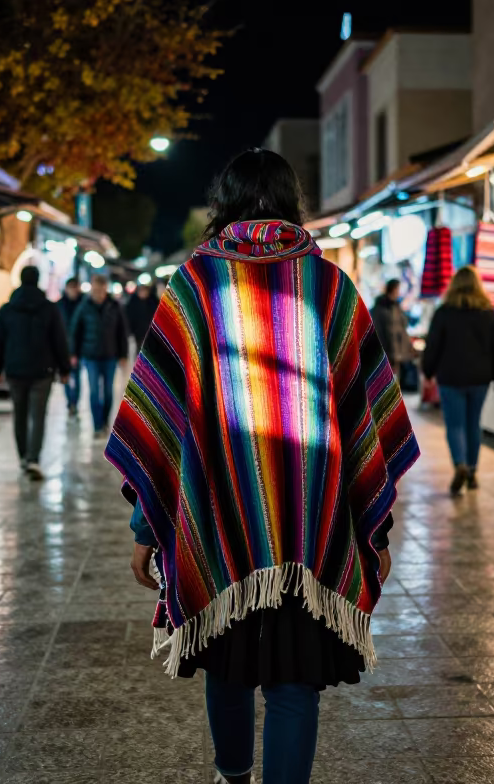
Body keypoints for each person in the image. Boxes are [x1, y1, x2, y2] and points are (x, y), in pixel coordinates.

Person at [105, 148, 419, 784]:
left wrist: (147, 531)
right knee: (293, 680)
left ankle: (234, 778)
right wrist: (374, 532)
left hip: (216, 515)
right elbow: (364, 414)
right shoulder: (330, 287)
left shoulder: (194, 286)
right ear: (291, 202)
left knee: (227, 660)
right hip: (313, 521)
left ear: (224, 204)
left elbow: (162, 418)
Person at [421, 265, 494, 494]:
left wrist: (427, 371)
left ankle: (459, 463)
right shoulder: (488, 313)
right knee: (473, 424)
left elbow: (433, 346)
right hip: (480, 377)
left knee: (455, 424)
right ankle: (472, 470)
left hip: (450, 377)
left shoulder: (444, 312)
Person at [0, 265, 72, 480]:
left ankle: (24, 458)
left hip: (15, 370)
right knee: (38, 416)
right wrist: (65, 368)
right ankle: (34, 459)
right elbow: (59, 340)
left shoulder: (8, 309)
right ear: (38, 280)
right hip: (42, 371)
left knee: (20, 414)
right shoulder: (49, 308)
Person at [70, 274, 129, 437]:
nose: (98, 292)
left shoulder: (115, 306)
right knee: (94, 392)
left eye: (101, 289)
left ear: (105, 289)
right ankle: (97, 426)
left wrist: (123, 355)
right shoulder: (84, 306)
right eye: (95, 289)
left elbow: (122, 332)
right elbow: (75, 331)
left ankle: (104, 422)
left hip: (110, 356)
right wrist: (73, 353)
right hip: (90, 356)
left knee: (109, 392)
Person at [371, 278, 414, 374]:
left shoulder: (396, 307)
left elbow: (402, 327)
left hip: (396, 352)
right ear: (393, 289)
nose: (399, 292)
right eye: (398, 289)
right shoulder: (381, 308)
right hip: (387, 352)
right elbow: (381, 331)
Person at [57, 277, 83, 417]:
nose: (73, 291)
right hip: (63, 347)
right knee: (65, 376)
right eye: (71, 287)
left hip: (79, 348)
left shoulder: (83, 304)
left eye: (75, 287)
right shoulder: (59, 305)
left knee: (76, 377)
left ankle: (74, 402)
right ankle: (70, 402)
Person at [124, 281, 160, 350]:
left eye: (145, 290)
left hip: (152, 334)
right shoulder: (133, 302)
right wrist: (130, 331)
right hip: (138, 334)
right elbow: (129, 318)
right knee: (140, 351)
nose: (143, 293)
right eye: (141, 290)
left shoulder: (153, 301)